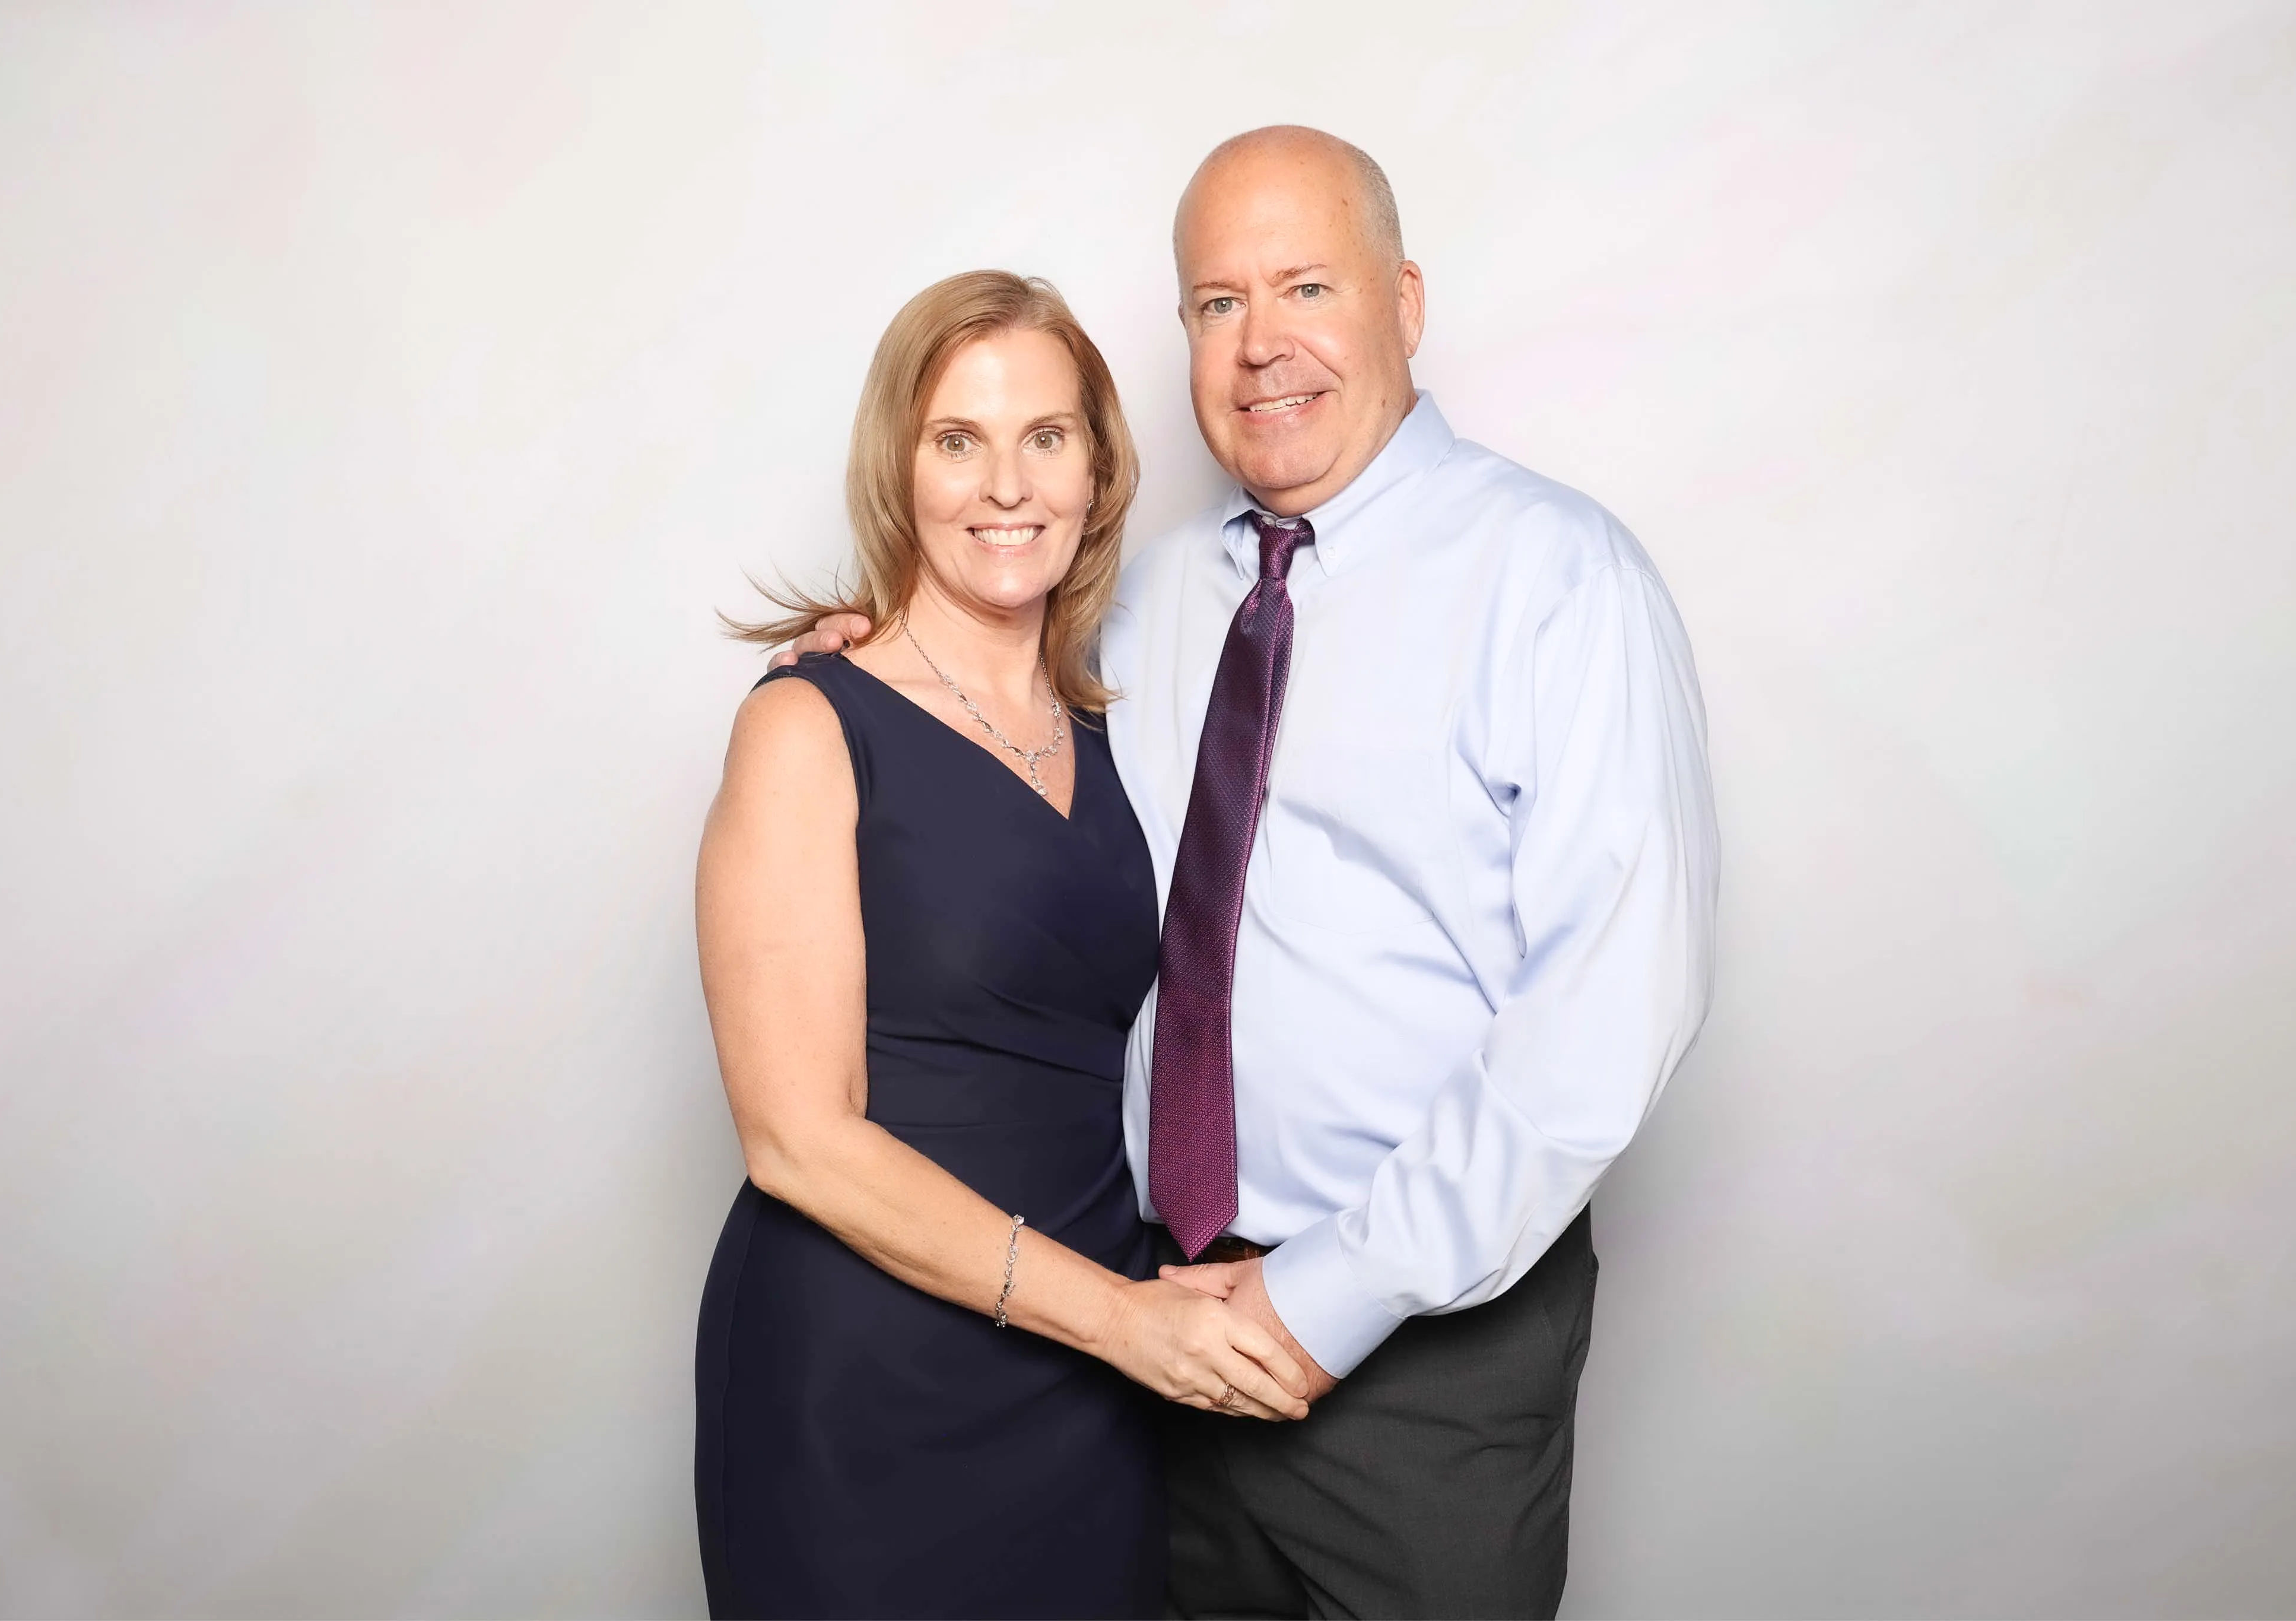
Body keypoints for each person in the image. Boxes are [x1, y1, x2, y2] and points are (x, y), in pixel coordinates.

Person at [780, 128, 1719, 1620]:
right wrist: (869, 667)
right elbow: (1004, 796)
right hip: (1146, 1339)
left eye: (1303, 287)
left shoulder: (1557, 580)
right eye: (1217, 304)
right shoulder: (1154, 600)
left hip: (1420, 1366)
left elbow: (1609, 1008)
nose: (1261, 344)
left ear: (1402, 303)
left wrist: (1326, 1292)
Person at [692, 269, 1311, 1621]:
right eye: (956, 441)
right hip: (868, 1384)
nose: (1004, 485)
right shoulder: (810, 724)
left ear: (1097, 462)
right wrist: (1124, 1321)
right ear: (897, 468)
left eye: (1044, 436)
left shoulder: (1117, 723)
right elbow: (796, 1138)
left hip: (1085, 1386)